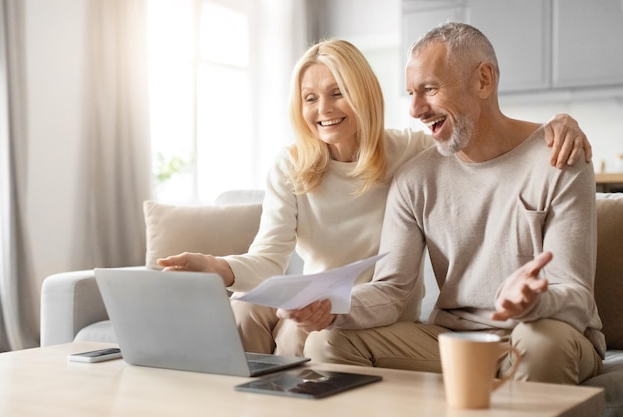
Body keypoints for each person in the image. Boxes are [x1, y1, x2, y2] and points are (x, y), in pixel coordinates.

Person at [157, 39, 592, 358]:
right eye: (310, 98)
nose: (323, 108)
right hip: (324, 301)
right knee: (246, 312)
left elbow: (478, 131)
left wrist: (558, 123)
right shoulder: (295, 166)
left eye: (337, 92)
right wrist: (220, 268)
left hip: (378, 307)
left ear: (363, 93)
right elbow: (269, 259)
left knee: (297, 337)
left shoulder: (412, 153)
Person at [299, 24, 604, 385]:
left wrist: (533, 304)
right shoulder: (415, 179)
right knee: (325, 344)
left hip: (545, 329)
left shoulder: (559, 157)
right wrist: (329, 307)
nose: (415, 109)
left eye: (429, 89)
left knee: (540, 343)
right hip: (454, 341)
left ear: (484, 80)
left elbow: (575, 293)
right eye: (411, 93)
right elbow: (391, 290)